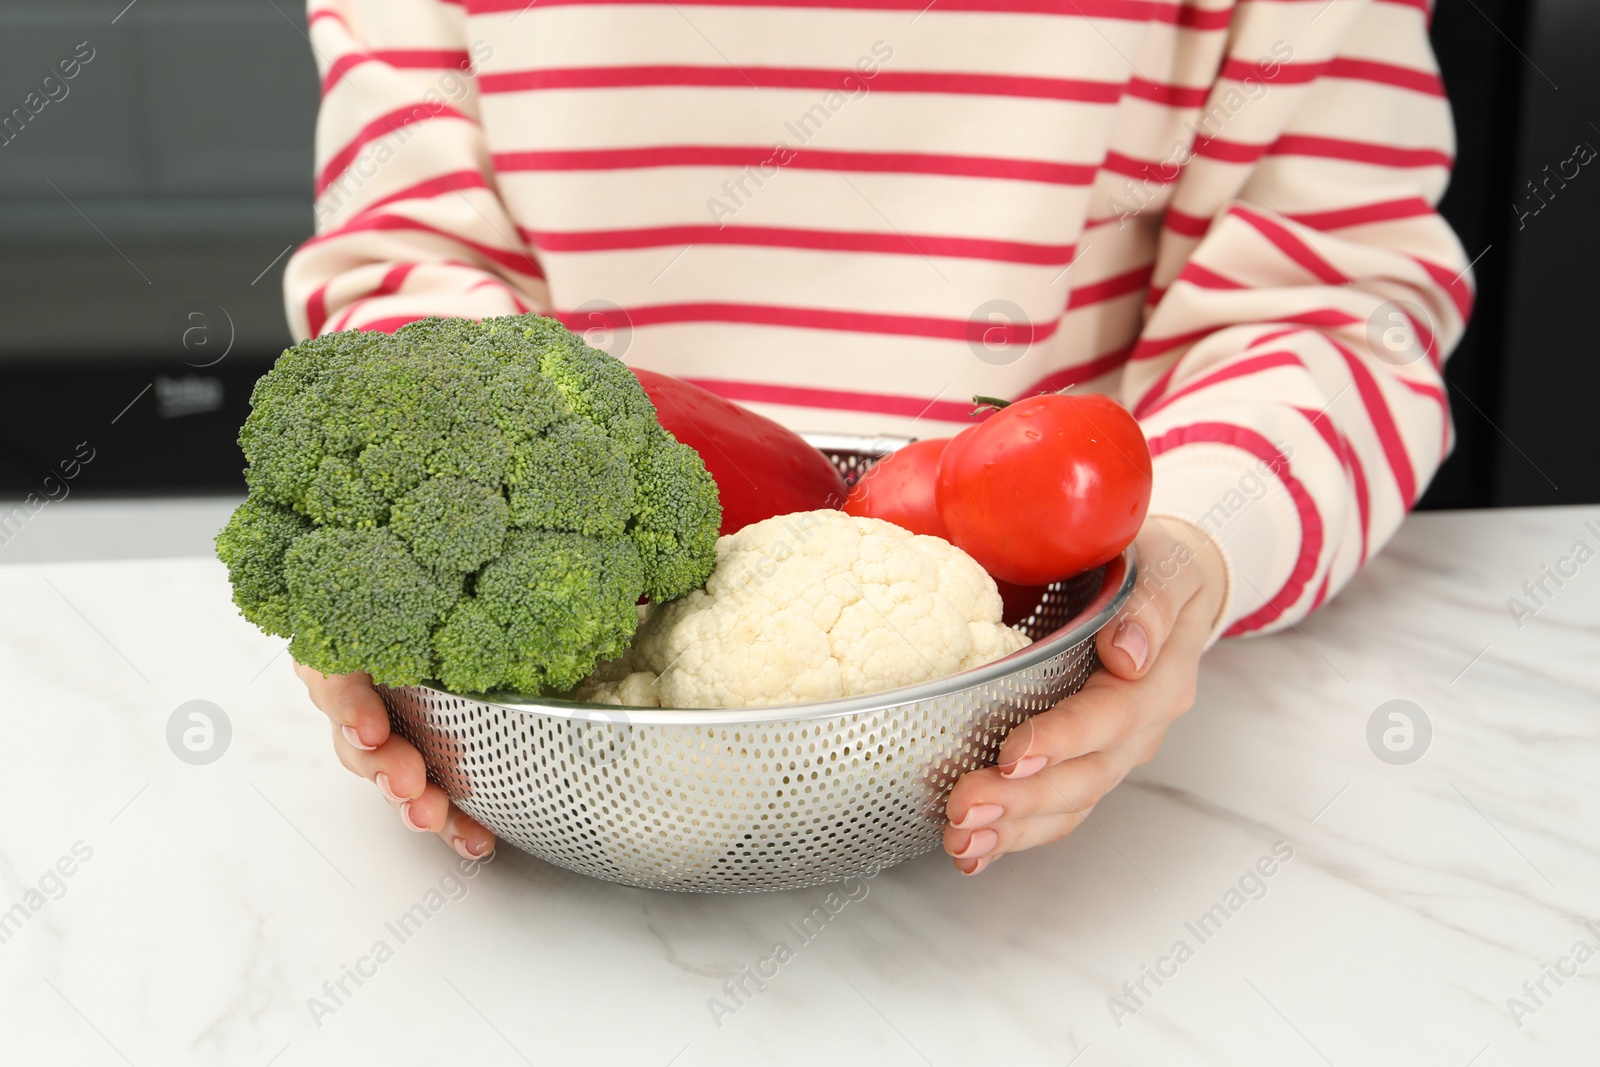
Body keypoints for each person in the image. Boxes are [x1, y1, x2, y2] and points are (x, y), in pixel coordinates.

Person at [285, 0, 1468, 874]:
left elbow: (1336, 307)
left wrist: (1195, 546)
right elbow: (413, 263)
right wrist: (396, 538)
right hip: (569, 752)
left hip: (1046, 684)